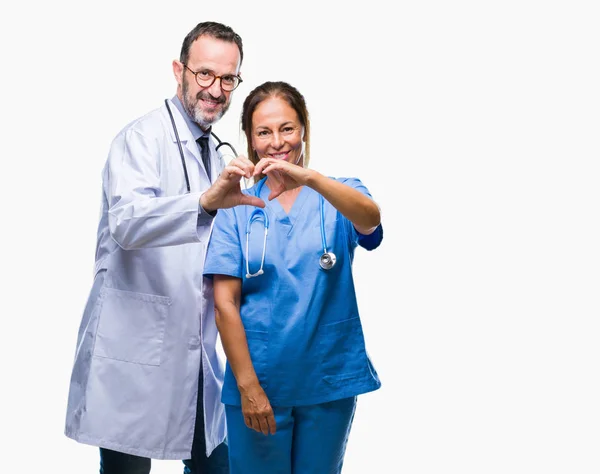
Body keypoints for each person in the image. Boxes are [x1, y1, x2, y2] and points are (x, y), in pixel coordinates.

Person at [64, 21, 264, 474]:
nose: (216, 89)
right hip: (135, 352)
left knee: (216, 464)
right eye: (205, 74)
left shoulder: (217, 153)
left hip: (195, 355)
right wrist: (205, 201)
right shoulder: (140, 139)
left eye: (228, 78)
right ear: (180, 71)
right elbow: (127, 223)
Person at [202, 81, 384, 473]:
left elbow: (370, 219)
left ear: (303, 130)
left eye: (287, 128)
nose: (277, 142)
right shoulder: (236, 207)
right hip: (259, 382)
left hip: (328, 380)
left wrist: (311, 178)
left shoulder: (338, 193)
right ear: (250, 140)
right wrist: (249, 387)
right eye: (264, 132)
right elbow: (224, 304)